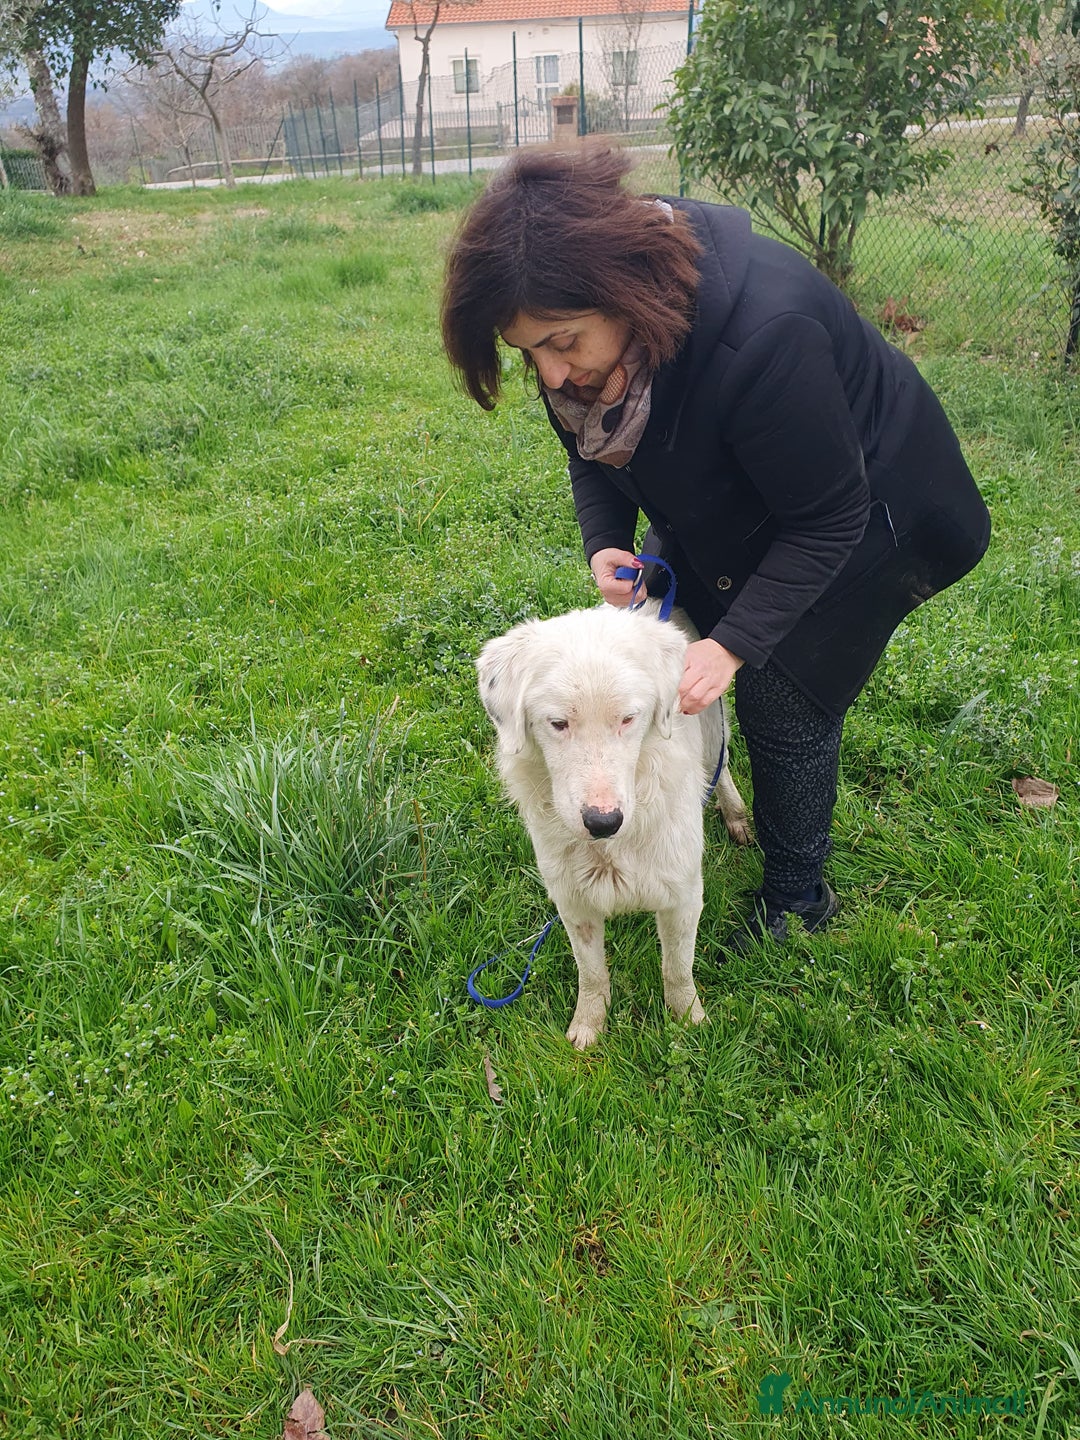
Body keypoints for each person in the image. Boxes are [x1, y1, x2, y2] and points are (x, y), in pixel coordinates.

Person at [441, 142, 990, 955]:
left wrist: (734, 645)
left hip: (875, 508)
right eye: (530, 352)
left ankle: (798, 899)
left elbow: (828, 520)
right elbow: (585, 445)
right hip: (746, 487)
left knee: (781, 691)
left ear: (620, 295)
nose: (551, 375)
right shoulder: (597, 342)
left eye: (562, 342)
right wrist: (605, 543)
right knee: (676, 618)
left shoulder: (767, 338)